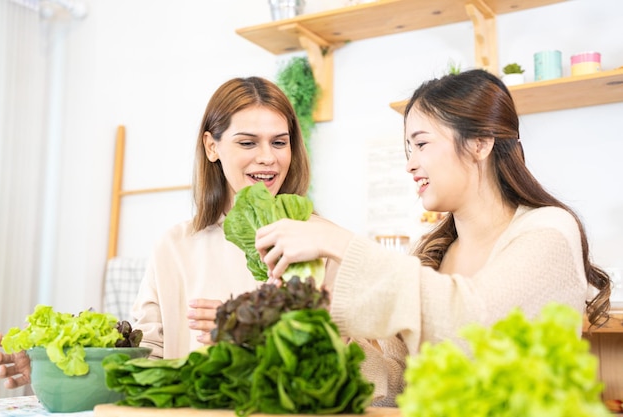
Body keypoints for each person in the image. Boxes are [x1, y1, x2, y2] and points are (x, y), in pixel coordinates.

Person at [255, 69, 611, 405]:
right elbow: (397, 386)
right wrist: (332, 338)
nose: (410, 164)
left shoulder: (548, 231)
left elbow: (474, 327)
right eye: (409, 149)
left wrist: (339, 242)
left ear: (480, 144)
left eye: (421, 144)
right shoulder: (428, 254)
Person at [0, 76, 312, 387]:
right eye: (247, 142)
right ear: (211, 146)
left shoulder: (317, 242)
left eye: (279, 142)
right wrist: (54, 364)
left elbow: (358, 363)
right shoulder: (175, 246)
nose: (268, 158)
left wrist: (256, 332)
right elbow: (145, 361)